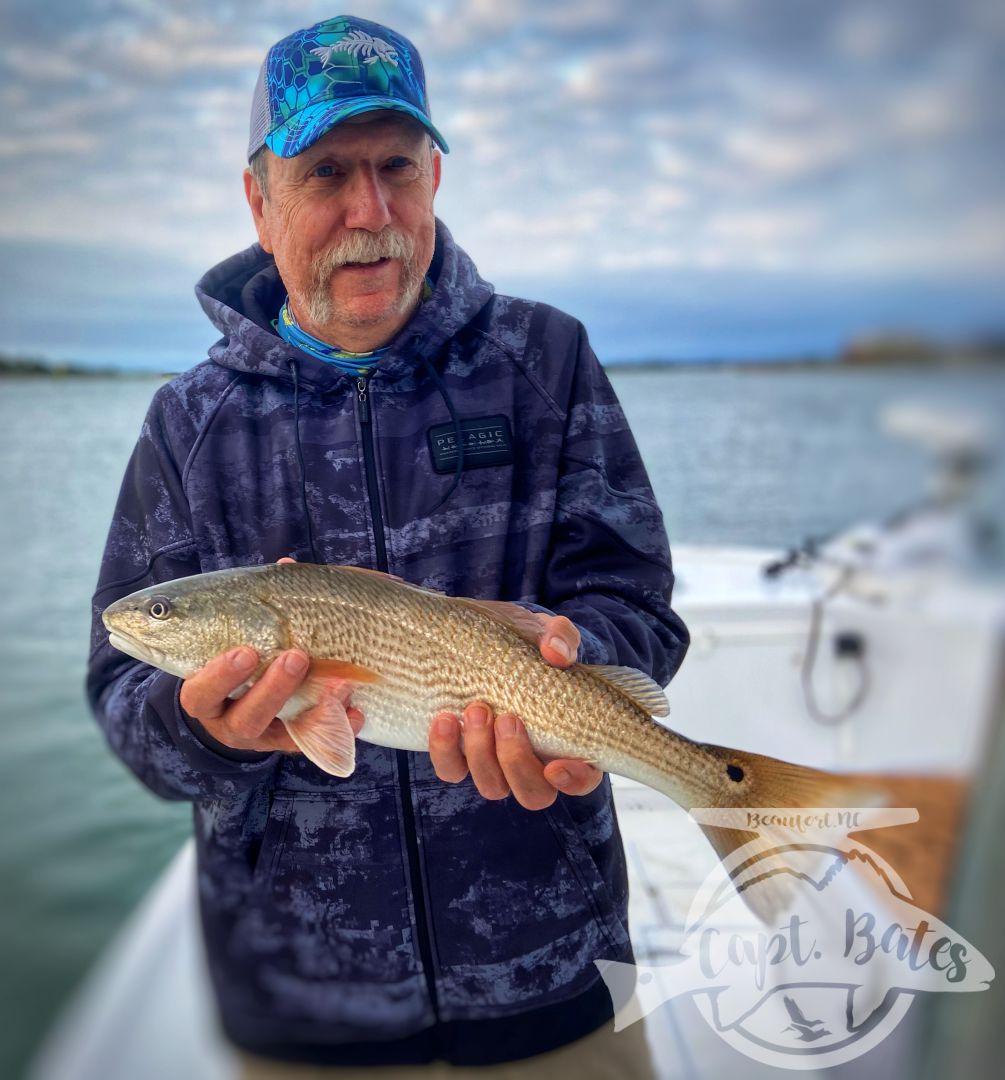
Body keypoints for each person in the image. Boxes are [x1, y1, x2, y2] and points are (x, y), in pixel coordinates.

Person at [87, 14, 689, 1075]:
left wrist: (563, 666)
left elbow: (636, 608)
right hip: (300, 1010)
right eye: (326, 173)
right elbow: (124, 698)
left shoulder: (545, 359)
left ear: (437, 176)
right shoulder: (188, 426)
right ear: (259, 200)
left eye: (397, 167)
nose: (372, 213)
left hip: (555, 978)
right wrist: (207, 728)